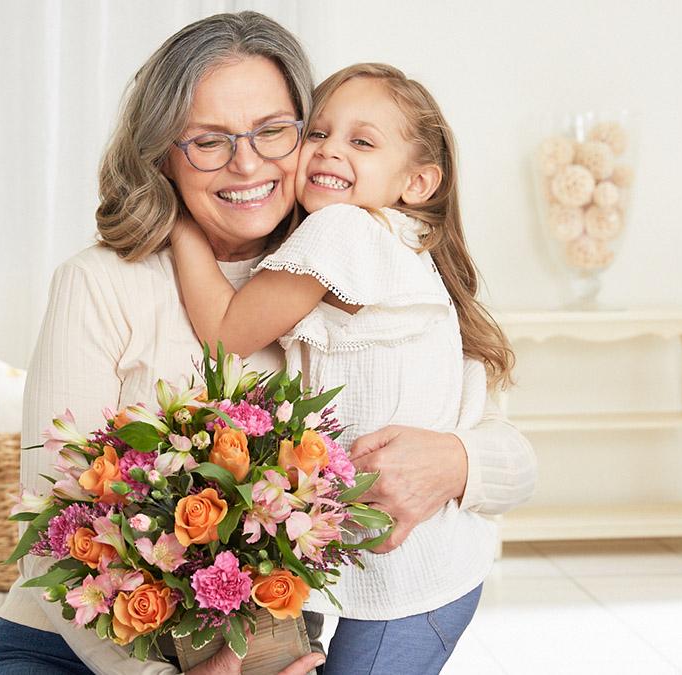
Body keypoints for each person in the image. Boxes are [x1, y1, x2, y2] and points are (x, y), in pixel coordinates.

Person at [0, 12, 536, 675]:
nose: (247, 162)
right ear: (162, 154)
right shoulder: (99, 283)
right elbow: (55, 534)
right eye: (209, 141)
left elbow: (517, 457)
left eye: (274, 131)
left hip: (269, 651)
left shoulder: (347, 268)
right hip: (78, 651)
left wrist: (457, 460)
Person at [170, 61, 510, 673]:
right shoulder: (398, 240)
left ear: (418, 181)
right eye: (319, 133)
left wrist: (181, 224)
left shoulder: (345, 230)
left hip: (403, 583)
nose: (328, 151)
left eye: (362, 141)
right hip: (424, 566)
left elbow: (226, 334)